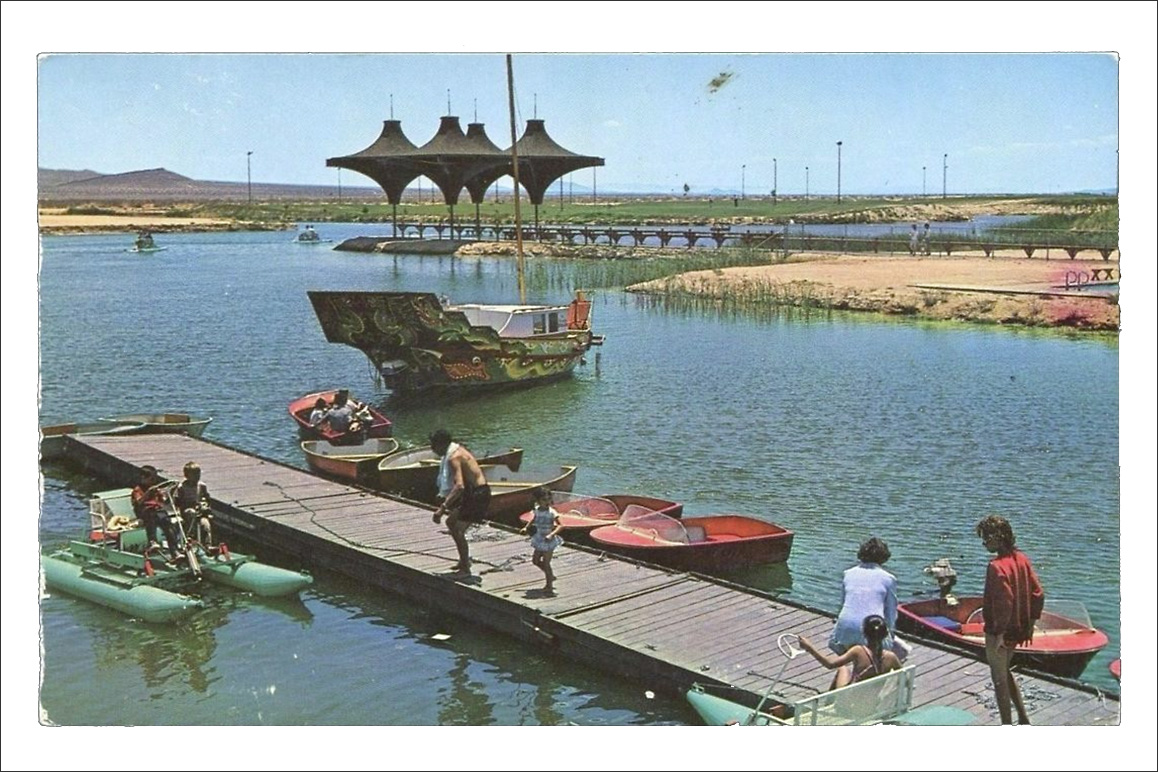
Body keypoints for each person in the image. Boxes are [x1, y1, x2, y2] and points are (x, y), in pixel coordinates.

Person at [977, 515, 1045, 725]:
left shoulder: (996, 566)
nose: (984, 543)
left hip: (1001, 631)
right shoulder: (1022, 559)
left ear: (998, 538)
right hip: (1019, 628)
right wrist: (1031, 623)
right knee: (1005, 672)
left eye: (986, 538)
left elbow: (1005, 603)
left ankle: (1006, 724)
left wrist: (999, 634)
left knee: (998, 680)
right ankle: (1023, 718)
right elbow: (1038, 594)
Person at [828, 537, 904, 659]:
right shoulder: (889, 579)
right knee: (900, 652)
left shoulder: (848, 573)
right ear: (884, 557)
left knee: (834, 642)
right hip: (872, 631)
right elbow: (891, 614)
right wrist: (890, 634)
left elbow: (843, 604)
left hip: (845, 629)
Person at [430, 429, 491, 574]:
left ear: (441, 444)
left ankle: (465, 566)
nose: (433, 450)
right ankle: (464, 560)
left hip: (478, 494)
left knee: (457, 529)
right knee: (451, 523)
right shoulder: (458, 449)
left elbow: (459, 486)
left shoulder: (454, 457)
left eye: (433, 446)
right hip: (474, 492)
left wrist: (443, 507)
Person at [799, 615, 902, 691]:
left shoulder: (858, 651)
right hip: (870, 707)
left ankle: (828, 702)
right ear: (885, 634)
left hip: (849, 706)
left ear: (863, 631)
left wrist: (809, 647)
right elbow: (904, 678)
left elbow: (829, 664)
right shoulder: (891, 657)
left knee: (843, 669)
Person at [519, 487, 564, 594]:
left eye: (549, 499)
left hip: (549, 540)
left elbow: (561, 525)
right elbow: (534, 519)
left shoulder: (552, 512)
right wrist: (526, 527)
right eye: (544, 500)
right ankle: (550, 575)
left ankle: (549, 586)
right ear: (538, 501)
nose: (547, 502)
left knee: (546, 563)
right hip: (539, 538)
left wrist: (552, 534)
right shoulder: (537, 510)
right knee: (535, 560)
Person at [131, 465, 182, 559]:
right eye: (152, 479)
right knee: (150, 515)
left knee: (168, 525)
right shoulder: (137, 490)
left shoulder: (156, 490)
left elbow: (165, 502)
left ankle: (174, 551)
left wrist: (171, 492)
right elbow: (139, 502)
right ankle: (152, 541)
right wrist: (148, 493)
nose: (154, 481)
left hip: (158, 512)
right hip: (144, 513)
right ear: (143, 478)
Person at [174, 461, 213, 545]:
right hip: (186, 510)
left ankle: (207, 544)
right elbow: (177, 502)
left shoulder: (202, 486)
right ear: (187, 475)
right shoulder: (182, 487)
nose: (197, 476)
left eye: (198, 474)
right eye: (194, 474)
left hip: (199, 510)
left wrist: (206, 506)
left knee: (205, 523)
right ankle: (190, 536)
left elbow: (207, 499)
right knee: (191, 513)